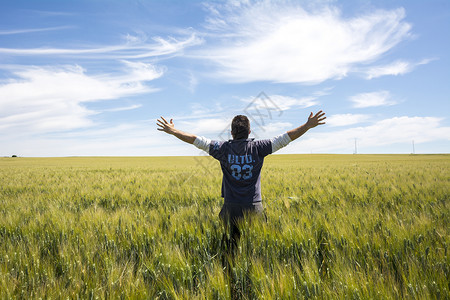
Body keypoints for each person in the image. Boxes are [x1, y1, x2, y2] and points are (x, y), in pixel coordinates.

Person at [156, 111, 326, 254]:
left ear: (231, 132)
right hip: (254, 207)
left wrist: (173, 131)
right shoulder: (259, 147)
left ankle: (229, 279)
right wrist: (307, 126)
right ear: (250, 132)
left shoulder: (222, 149)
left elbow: (195, 139)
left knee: (229, 251)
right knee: (257, 250)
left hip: (231, 208)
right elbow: (286, 138)